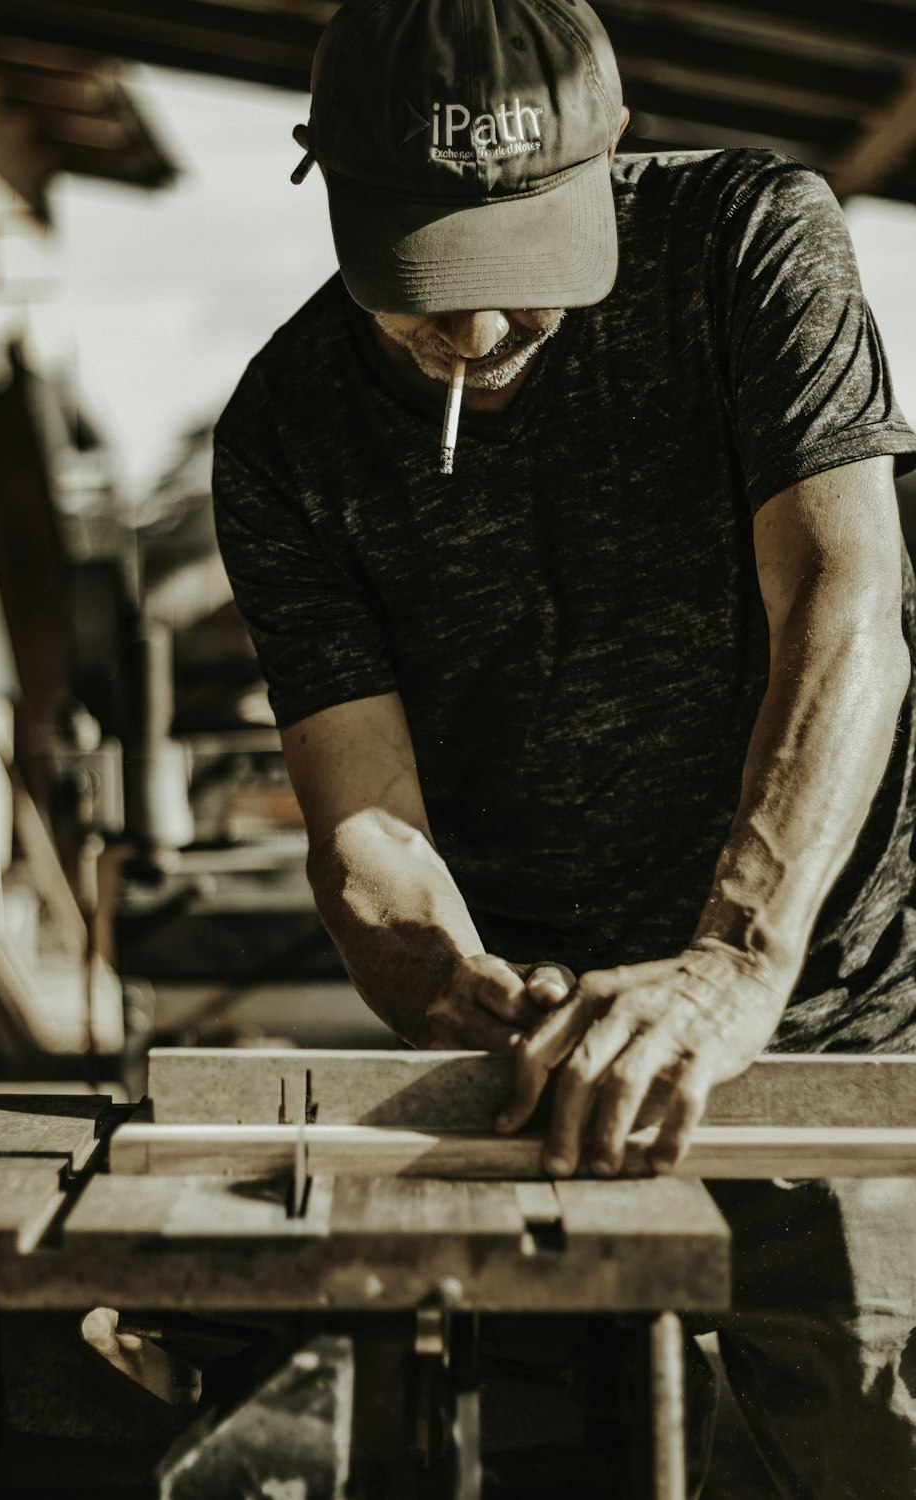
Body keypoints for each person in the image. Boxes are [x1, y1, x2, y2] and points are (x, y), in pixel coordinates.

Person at [212, 0, 916, 1492]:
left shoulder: (746, 242)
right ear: (327, 187)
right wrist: (433, 965)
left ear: (608, 168)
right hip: (540, 1073)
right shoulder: (285, 436)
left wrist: (735, 963)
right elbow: (366, 818)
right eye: (426, 286)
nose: (474, 338)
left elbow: (846, 599)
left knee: (865, 1443)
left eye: (521, 280)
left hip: (839, 1010)